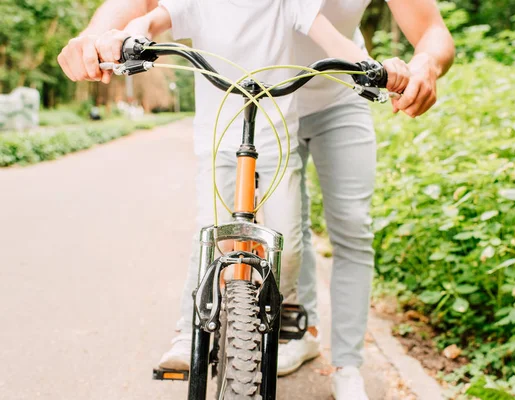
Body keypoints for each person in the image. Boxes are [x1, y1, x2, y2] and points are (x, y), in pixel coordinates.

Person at [58, 1, 416, 399]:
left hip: (277, 136)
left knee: (290, 248)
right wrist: (124, 37)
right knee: (208, 236)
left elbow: (332, 39)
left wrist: (375, 66)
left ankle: (276, 320)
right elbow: (151, 20)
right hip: (218, 139)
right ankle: (187, 330)